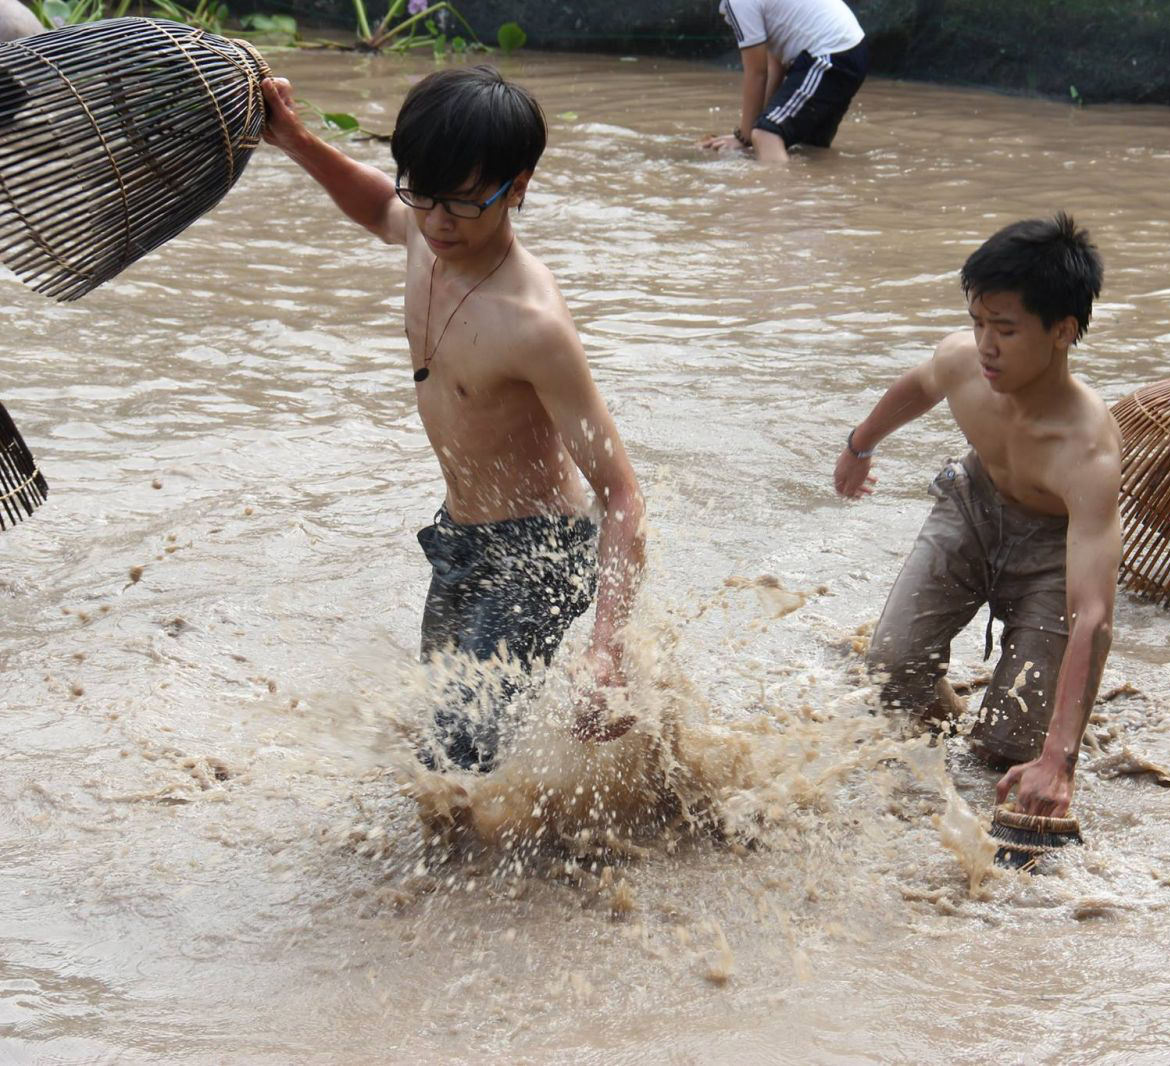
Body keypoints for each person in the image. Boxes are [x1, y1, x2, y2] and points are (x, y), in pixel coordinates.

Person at [261, 66, 646, 771]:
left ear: (517, 187)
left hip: (538, 556)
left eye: (465, 203)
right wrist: (294, 140)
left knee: (457, 754)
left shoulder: (533, 326)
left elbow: (622, 494)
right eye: (426, 193)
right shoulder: (424, 228)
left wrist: (606, 651)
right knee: (440, 743)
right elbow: (381, 208)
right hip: (458, 540)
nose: (438, 221)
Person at [834, 214, 1121, 818]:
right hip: (972, 505)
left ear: (1063, 331)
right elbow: (919, 383)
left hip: (1051, 551)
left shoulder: (1087, 451)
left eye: (1007, 330)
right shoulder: (965, 362)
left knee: (1007, 748)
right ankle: (946, 722)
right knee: (892, 670)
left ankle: (1012, 732)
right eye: (978, 322)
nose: (986, 344)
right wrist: (859, 446)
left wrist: (1058, 761)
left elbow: (1093, 612)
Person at [699, 0, 868, 162]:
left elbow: (757, 73)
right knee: (808, 148)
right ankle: (819, 189)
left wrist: (745, 136)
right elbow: (776, 66)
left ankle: (781, 190)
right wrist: (763, 121)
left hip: (829, 54)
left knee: (766, 135)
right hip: (851, 49)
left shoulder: (737, 2)